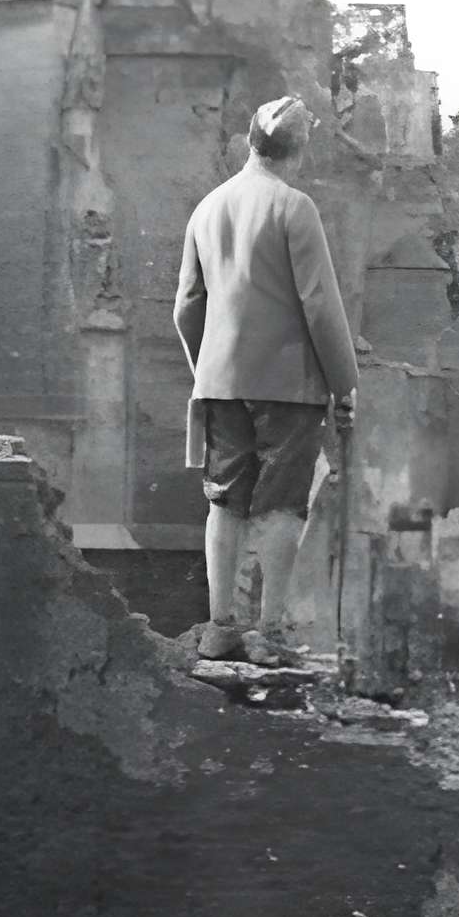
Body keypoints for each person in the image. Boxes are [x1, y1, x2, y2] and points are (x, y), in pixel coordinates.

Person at [174, 95, 358, 668]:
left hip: (221, 381)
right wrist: (344, 381)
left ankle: (220, 627)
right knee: (281, 506)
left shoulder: (208, 207)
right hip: (290, 385)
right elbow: (320, 304)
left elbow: (186, 305)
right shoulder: (294, 206)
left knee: (224, 500)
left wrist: (206, 366)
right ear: (298, 151)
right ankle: (270, 631)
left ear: (251, 141)